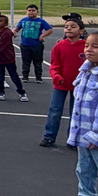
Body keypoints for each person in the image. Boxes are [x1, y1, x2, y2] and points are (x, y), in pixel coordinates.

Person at [68, 30, 98, 196]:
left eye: (96, 46)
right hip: (83, 134)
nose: (89, 50)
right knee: (84, 170)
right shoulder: (85, 71)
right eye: (87, 45)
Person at [40, 13, 86, 148]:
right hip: (60, 84)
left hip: (79, 86)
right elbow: (54, 65)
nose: (69, 29)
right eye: (66, 27)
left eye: (73, 26)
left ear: (81, 31)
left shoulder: (86, 46)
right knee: (55, 110)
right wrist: (57, 77)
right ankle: (49, 136)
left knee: (75, 112)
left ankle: (73, 139)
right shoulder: (60, 46)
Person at [0, 14, 28, 102]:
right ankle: (0, 92)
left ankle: (21, 92)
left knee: (14, 76)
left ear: (6, 23)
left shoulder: (7, 33)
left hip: (8, 59)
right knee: (0, 77)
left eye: (1, 21)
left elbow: (0, 47)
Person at [13, 4, 53, 84]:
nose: (31, 12)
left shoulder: (41, 21)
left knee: (37, 61)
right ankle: (25, 76)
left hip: (36, 44)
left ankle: (38, 77)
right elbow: (17, 28)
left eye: (33, 10)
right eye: (29, 10)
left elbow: (49, 29)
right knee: (25, 61)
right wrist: (14, 32)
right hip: (25, 44)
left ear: (37, 12)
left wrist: (42, 35)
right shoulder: (23, 20)